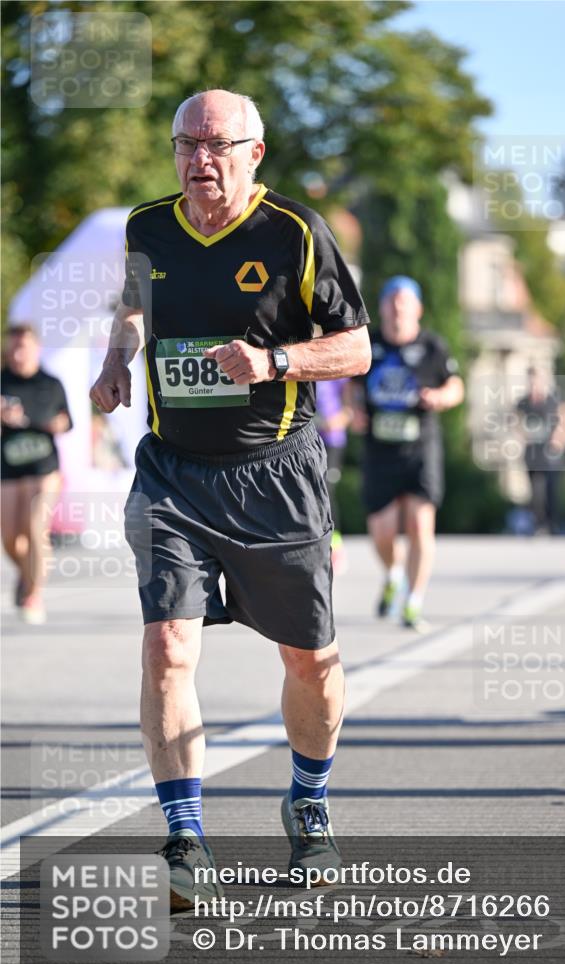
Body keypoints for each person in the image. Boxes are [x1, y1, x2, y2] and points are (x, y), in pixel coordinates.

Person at [89, 89, 371, 910]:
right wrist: (116, 359)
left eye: (216, 145)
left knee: (309, 660)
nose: (199, 159)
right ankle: (184, 838)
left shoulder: (294, 233)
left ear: (254, 152)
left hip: (275, 473)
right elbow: (135, 306)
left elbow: (354, 348)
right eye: (186, 143)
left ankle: (309, 804)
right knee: (167, 649)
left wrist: (275, 364)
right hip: (173, 471)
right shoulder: (146, 227)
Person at [351, 276, 464, 631]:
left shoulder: (432, 347)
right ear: (382, 307)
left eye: (405, 301)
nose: (398, 307)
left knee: (419, 525)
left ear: (418, 309)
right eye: (392, 300)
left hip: (420, 447)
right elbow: (351, 385)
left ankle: (413, 603)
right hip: (380, 448)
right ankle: (394, 574)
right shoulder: (371, 345)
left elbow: (455, 385)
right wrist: (354, 410)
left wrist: (442, 398)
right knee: (382, 533)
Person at [1, 323, 72, 624]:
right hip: (8, 466)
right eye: (14, 346)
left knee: (34, 527)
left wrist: (52, 423)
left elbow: (67, 421)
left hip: (44, 468)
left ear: (36, 348)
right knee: (10, 538)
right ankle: (25, 573)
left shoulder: (51, 383)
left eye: (24, 346)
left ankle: (33, 594)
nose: (18, 353)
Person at [516, 368, 565, 536]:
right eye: (532, 381)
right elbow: (515, 420)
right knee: (535, 491)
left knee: (552, 491)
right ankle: (539, 524)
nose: (534, 385)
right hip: (532, 454)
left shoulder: (553, 400)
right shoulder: (523, 402)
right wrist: (521, 435)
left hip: (550, 453)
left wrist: (561, 436)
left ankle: (552, 524)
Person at [315, 378, 351, 573]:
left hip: (331, 440)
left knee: (326, 490)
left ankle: (335, 546)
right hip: (304, 441)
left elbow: (350, 408)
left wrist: (336, 421)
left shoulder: (335, 374)